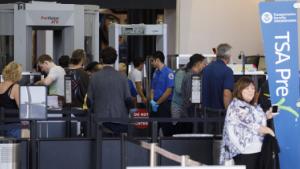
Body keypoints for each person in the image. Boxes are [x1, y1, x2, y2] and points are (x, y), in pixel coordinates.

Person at [219, 77, 276, 169]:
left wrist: (267, 115)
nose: (251, 91)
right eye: (247, 88)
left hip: (256, 150)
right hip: (244, 152)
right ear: (239, 90)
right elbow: (252, 124)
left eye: (253, 88)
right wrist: (270, 132)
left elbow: (254, 120)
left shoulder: (252, 106)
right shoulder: (236, 106)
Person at [87, 47, 132, 134]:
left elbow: (89, 100)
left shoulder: (94, 77)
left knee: (102, 146)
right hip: (120, 119)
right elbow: (128, 99)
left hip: (100, 121)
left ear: (101, 60)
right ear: (115, 60)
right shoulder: (122, 77)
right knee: (120, 146)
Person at [201, 43, 234, 134]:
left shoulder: (206, 69)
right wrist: (229, 112)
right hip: (220, 114)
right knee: (220, 141)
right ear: (228, 56)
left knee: (209, 141)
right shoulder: (227, 71)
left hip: (206, 112)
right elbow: (226, 94)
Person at [174, 54, 206, 133]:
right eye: (203, 63)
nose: (204, 65)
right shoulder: (192, 76)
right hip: (190, 115)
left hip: (190, 113)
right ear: (198, 63)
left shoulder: (193, 75)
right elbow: (189, 97)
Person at [150, 51, 174, 136]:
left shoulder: (169, 72)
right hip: (155, 105)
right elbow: (152, 89)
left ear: (157, 60)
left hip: (165, 105)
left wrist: (157, 103)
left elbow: (168, 91)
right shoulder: (155, 73)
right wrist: (152, 101)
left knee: (166, 130)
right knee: (153, 131)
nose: (151, 63)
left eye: (152, 60)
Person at [0, 62, 22, 138]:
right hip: (13, 126)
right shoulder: (15, 87)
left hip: (1, 124)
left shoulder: (0, 84)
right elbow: (22, 108)